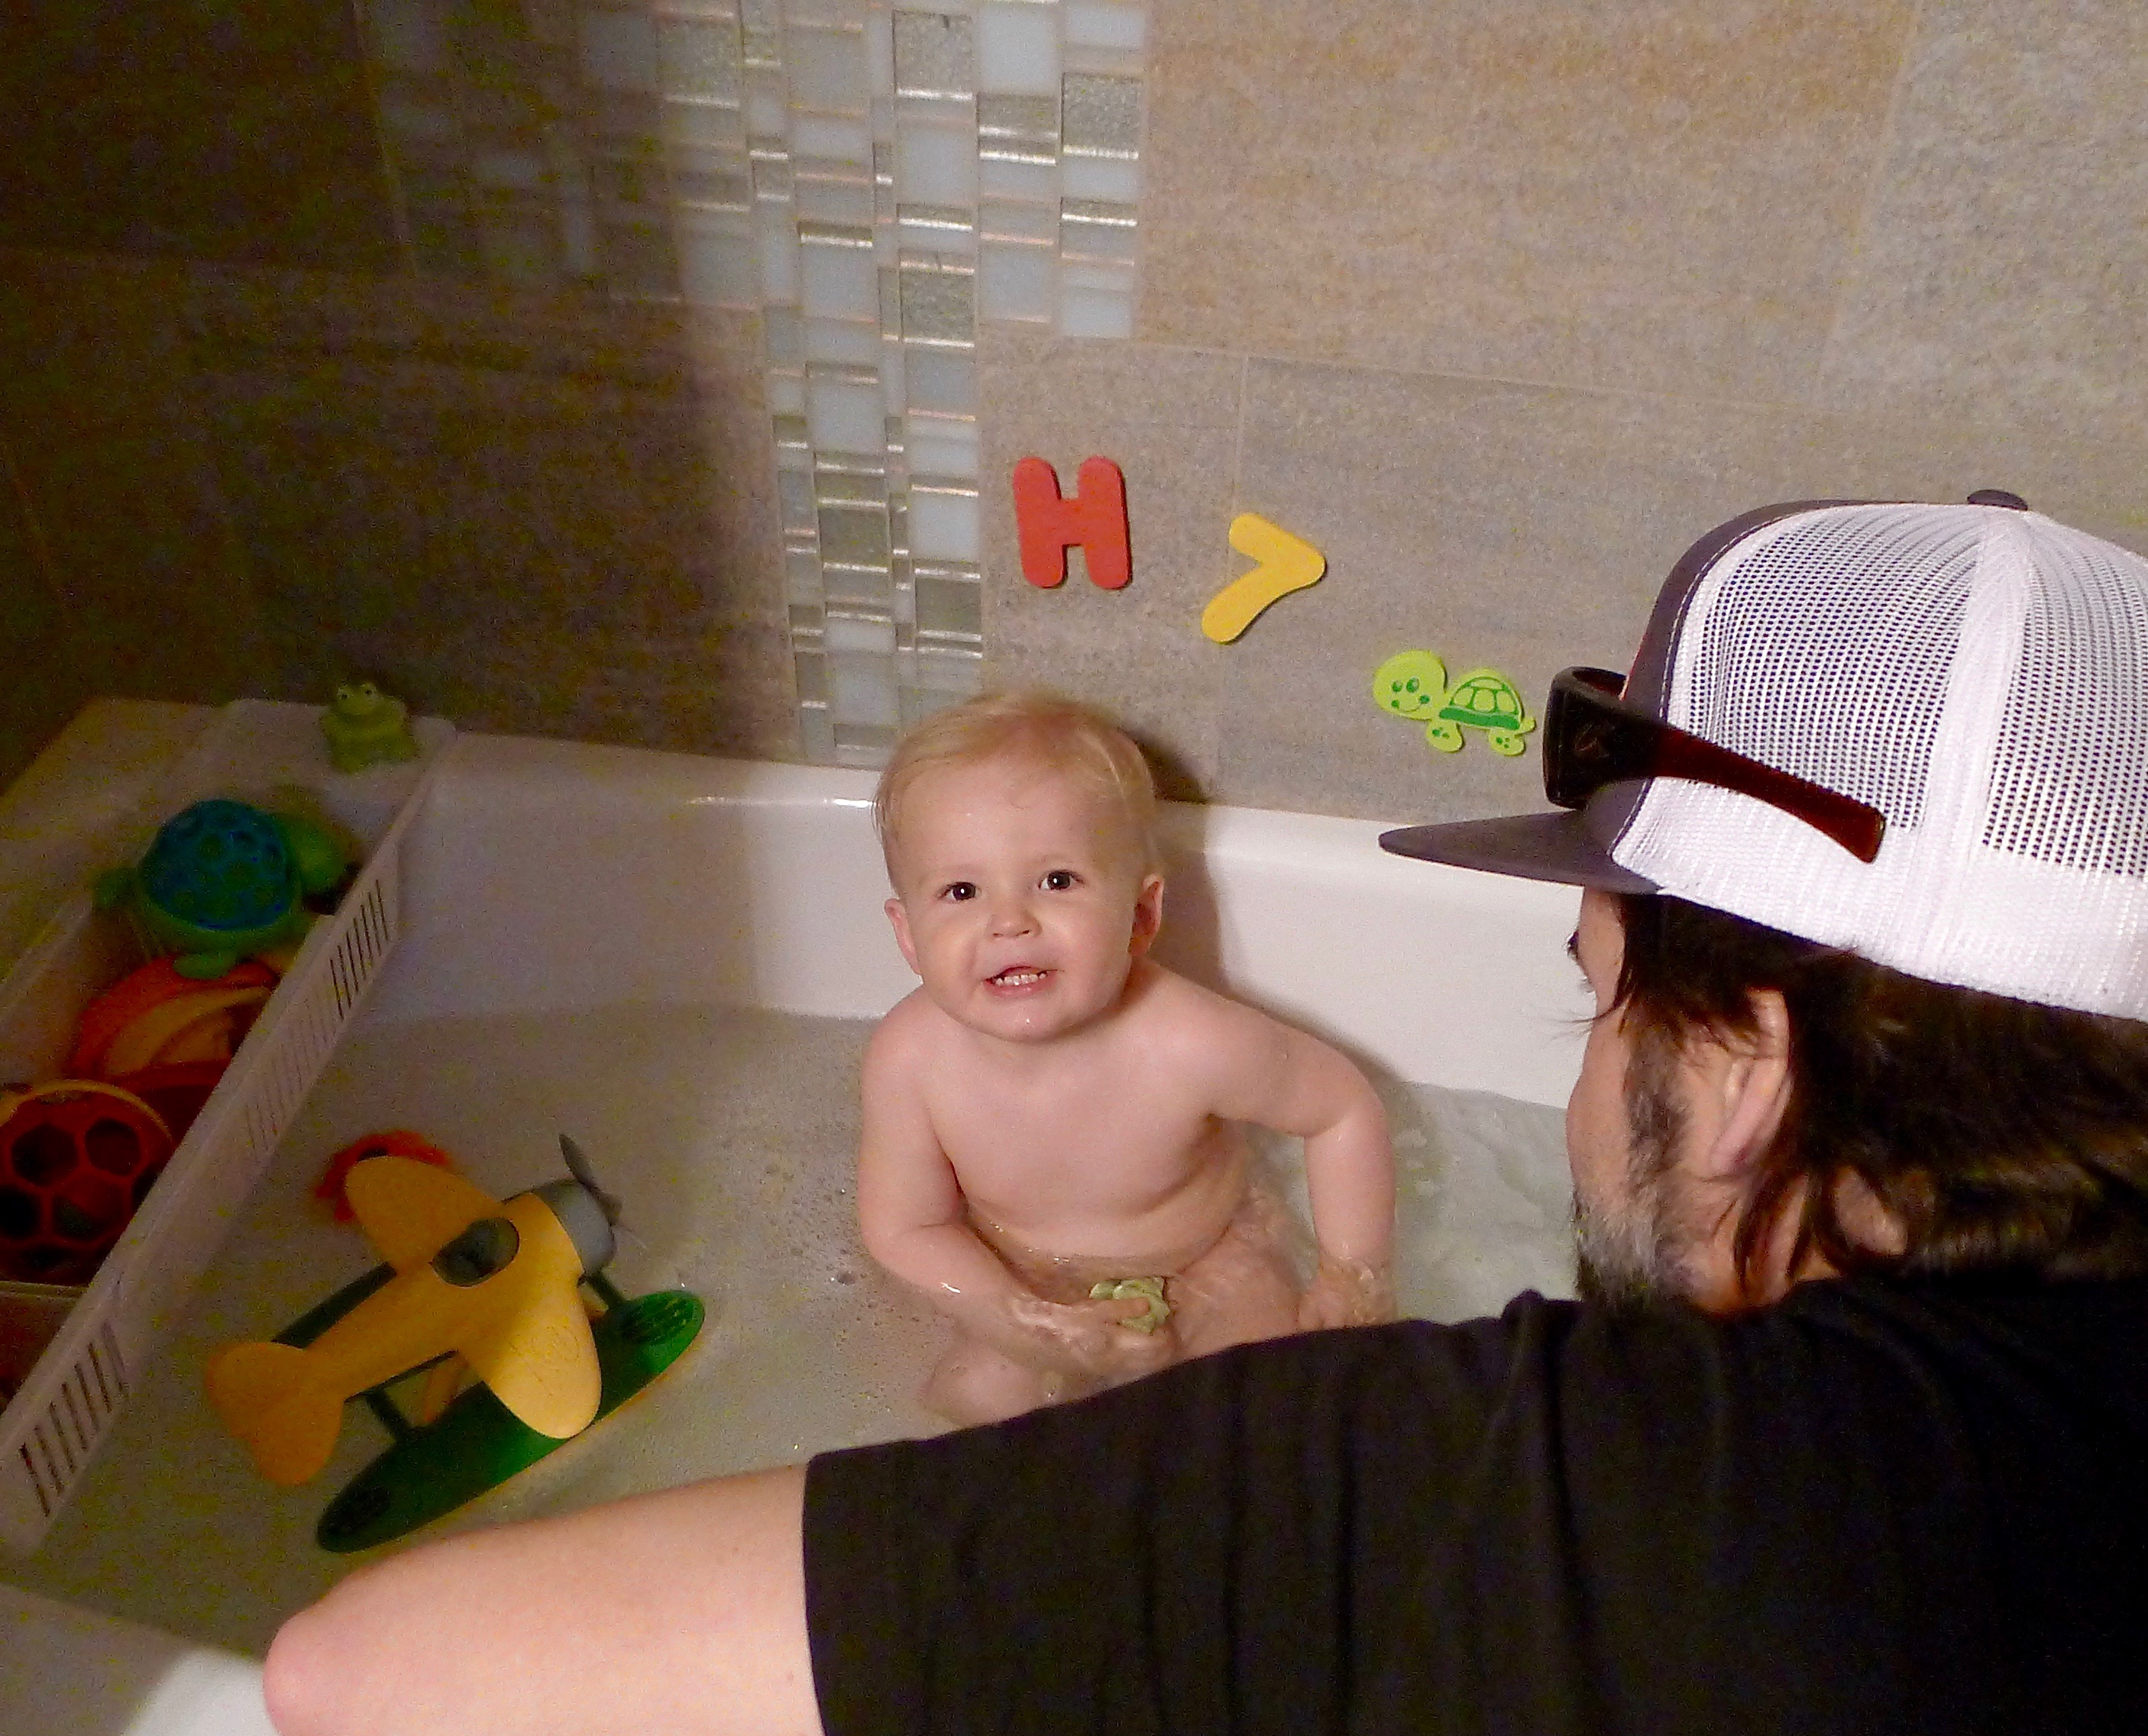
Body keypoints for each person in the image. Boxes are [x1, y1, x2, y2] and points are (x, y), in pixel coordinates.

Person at [263, 494, 2148, 1736]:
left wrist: (1331, 1293)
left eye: (1599, 990)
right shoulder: (913, 1065)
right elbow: (908, 1230)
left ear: (1744, 1060)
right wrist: (1014, 1315)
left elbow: (360, 1669)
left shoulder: (1531, 1480)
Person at [860, 690, 1395, 1424]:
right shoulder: (911, 1059)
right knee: (969, 1396)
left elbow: (1340, 1110)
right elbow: (907, 1228)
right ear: (909, 936)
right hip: (1028, 1281)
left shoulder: (1187, 1042)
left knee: (1268, 1395)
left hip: (1209, 1261)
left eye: (1057, 881)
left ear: (1141, 915)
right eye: (961, 890)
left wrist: (1352, 1273)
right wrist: (1027, 1322)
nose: (1009, 921)